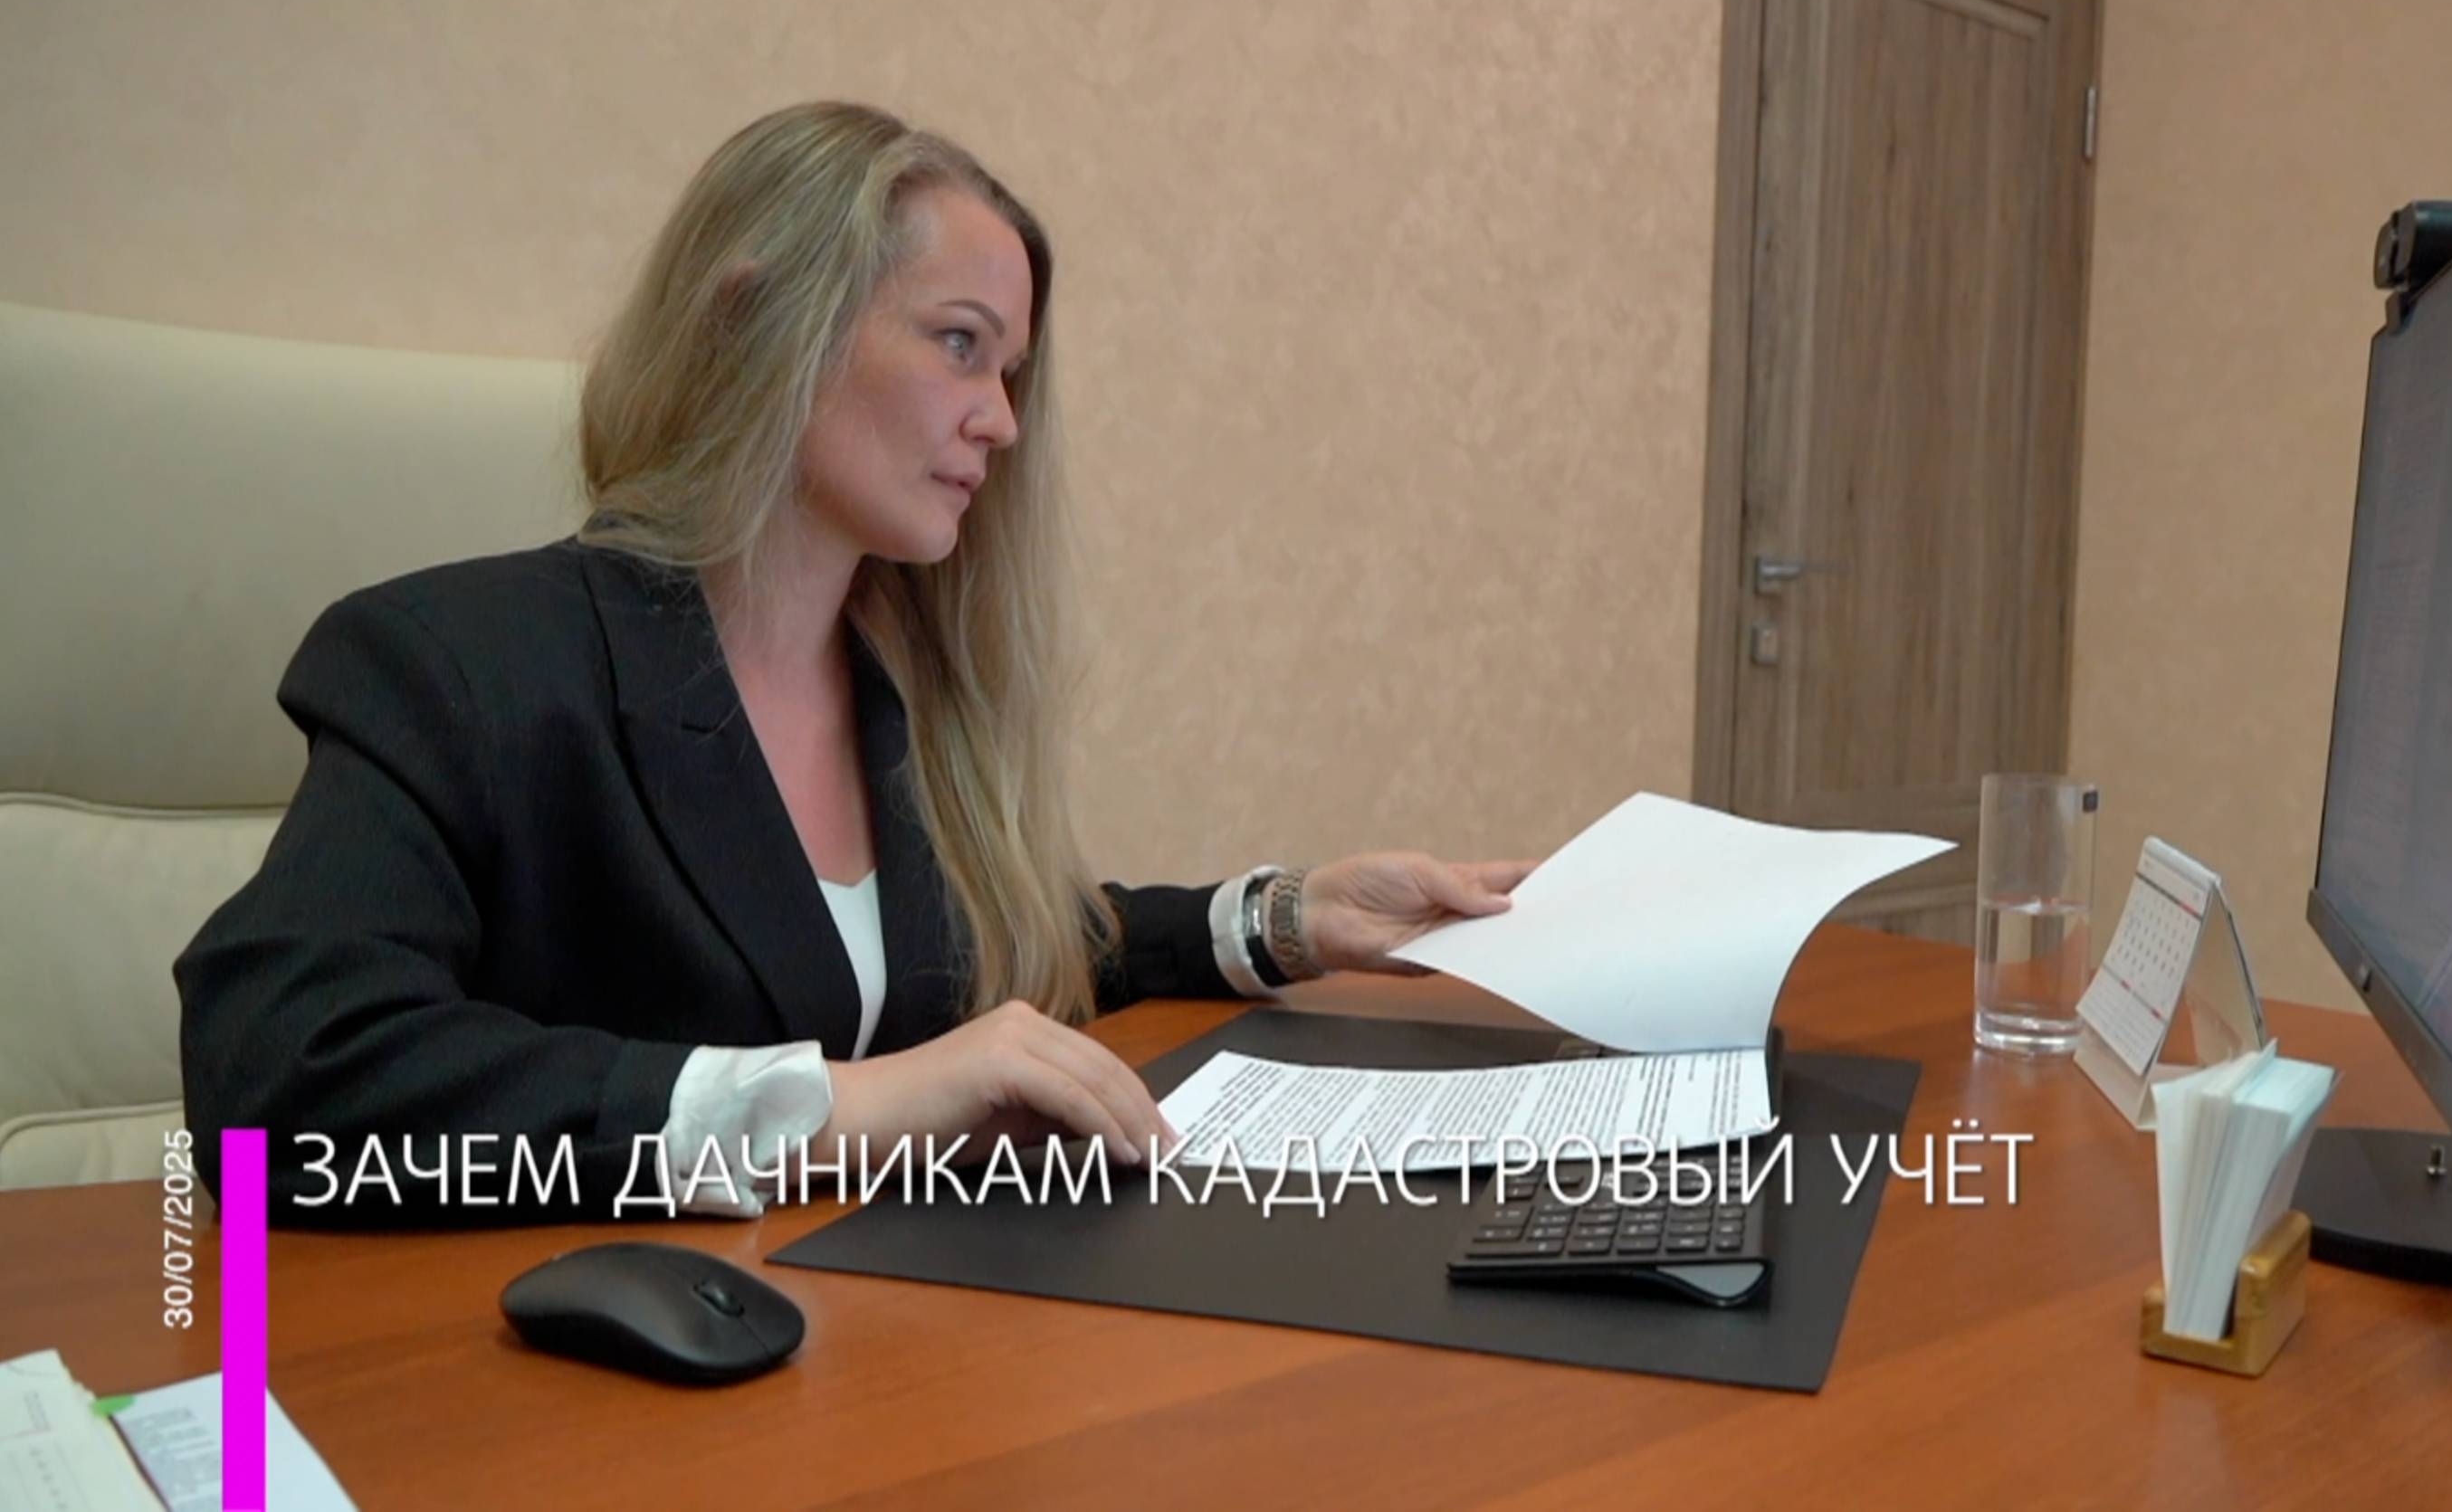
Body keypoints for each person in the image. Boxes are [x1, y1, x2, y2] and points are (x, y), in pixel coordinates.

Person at [176, 100, 1534, 1226]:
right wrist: (845, 1107)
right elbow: (277, 1074)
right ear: (756, 321)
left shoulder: (894, 686)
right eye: (959, 345)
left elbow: (996, 950)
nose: (1001, 421)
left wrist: (1286, 918)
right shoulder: (455, 664)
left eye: (1009, 370)